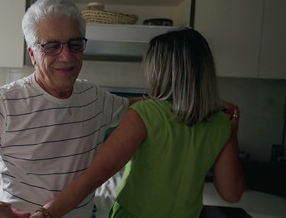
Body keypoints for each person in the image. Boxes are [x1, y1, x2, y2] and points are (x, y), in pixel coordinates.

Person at [0, 0, 145, 218]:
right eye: (51, 46)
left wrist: (174, 100)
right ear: (32, 54)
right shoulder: (7, 103)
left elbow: (135, 106)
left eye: (75, 44)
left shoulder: (95, 98)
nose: (66, 56)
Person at [29, 28, 245, 218]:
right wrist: (231, 130)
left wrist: (47, 213)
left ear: (159, 70)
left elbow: (95, 175)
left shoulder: (144, 114)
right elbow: (232, 194)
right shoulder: (220, 123)